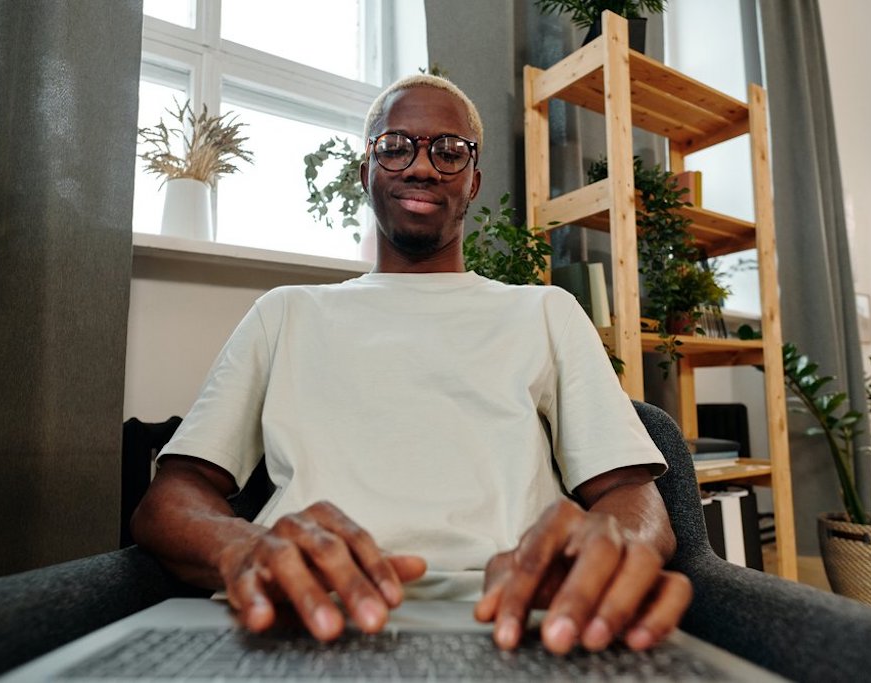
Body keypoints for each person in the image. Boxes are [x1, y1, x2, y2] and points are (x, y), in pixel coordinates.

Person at [131, 74, 692, 656]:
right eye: (396, 147)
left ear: (474, 181)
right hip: (303, 615)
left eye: (450, 151)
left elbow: (633, 494)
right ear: (365, 171)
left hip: (514, 616)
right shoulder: (285, 314)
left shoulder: (545, 311)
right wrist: (243, 549)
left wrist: (609, 551)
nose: (422, 168)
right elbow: (170, 500)